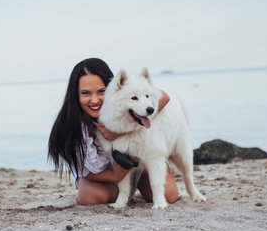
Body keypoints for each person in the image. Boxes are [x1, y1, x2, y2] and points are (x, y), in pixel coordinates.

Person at [47, 58, 179, 205]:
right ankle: (92, 187)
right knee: (89, 197)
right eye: (86, 93)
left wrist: (120, 132)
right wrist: (116, 175)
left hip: (138, 165)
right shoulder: (69, 127)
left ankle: (130, 192)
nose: (95, 100)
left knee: (169, 195)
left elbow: (165, 97)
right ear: (75, 95)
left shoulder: (124, 99)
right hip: (102, 177)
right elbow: (87, 171)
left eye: (101, 91)